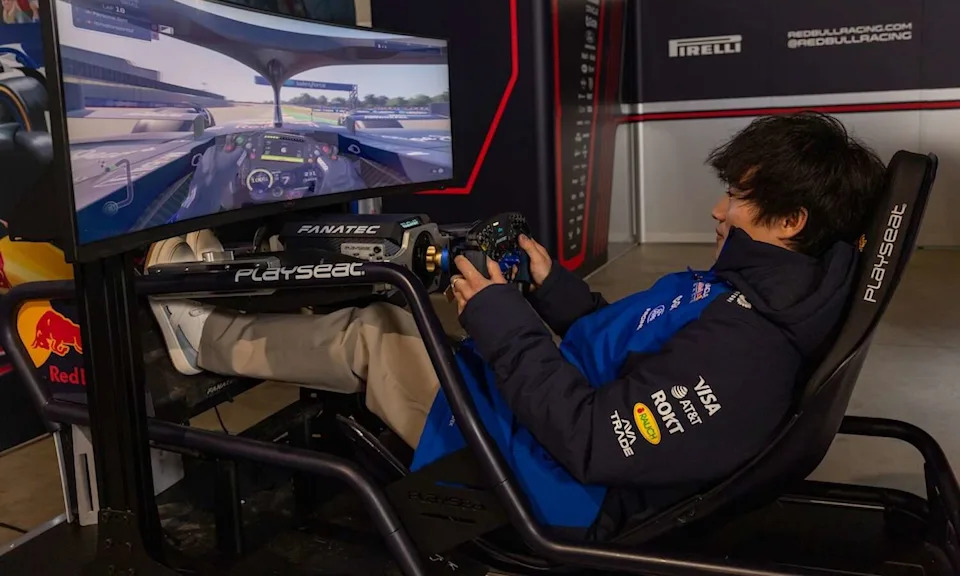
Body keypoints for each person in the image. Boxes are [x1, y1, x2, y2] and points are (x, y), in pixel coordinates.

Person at [148, 112, 886, 538]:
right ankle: (244, 321)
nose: (720, 210)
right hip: (554, 428)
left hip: (558, 485)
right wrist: (548, 286)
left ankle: (199, 337)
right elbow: (626, 351)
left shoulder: (749, 350)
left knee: (377, 325)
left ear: (790, 221)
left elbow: (597, 441)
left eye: (740, 199)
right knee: (426, 306)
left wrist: (504, 321)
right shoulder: (751, 290)